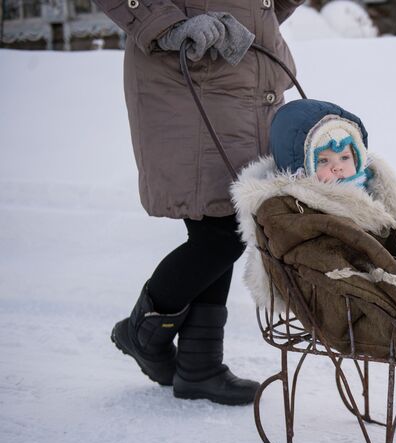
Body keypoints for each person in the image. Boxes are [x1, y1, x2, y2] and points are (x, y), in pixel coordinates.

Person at [93, 0, 305, 405]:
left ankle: (199, 367)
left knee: (225, 217)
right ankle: (143, 334)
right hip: (191, 74)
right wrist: (164, 23)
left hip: (241, 77)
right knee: (222, 231)